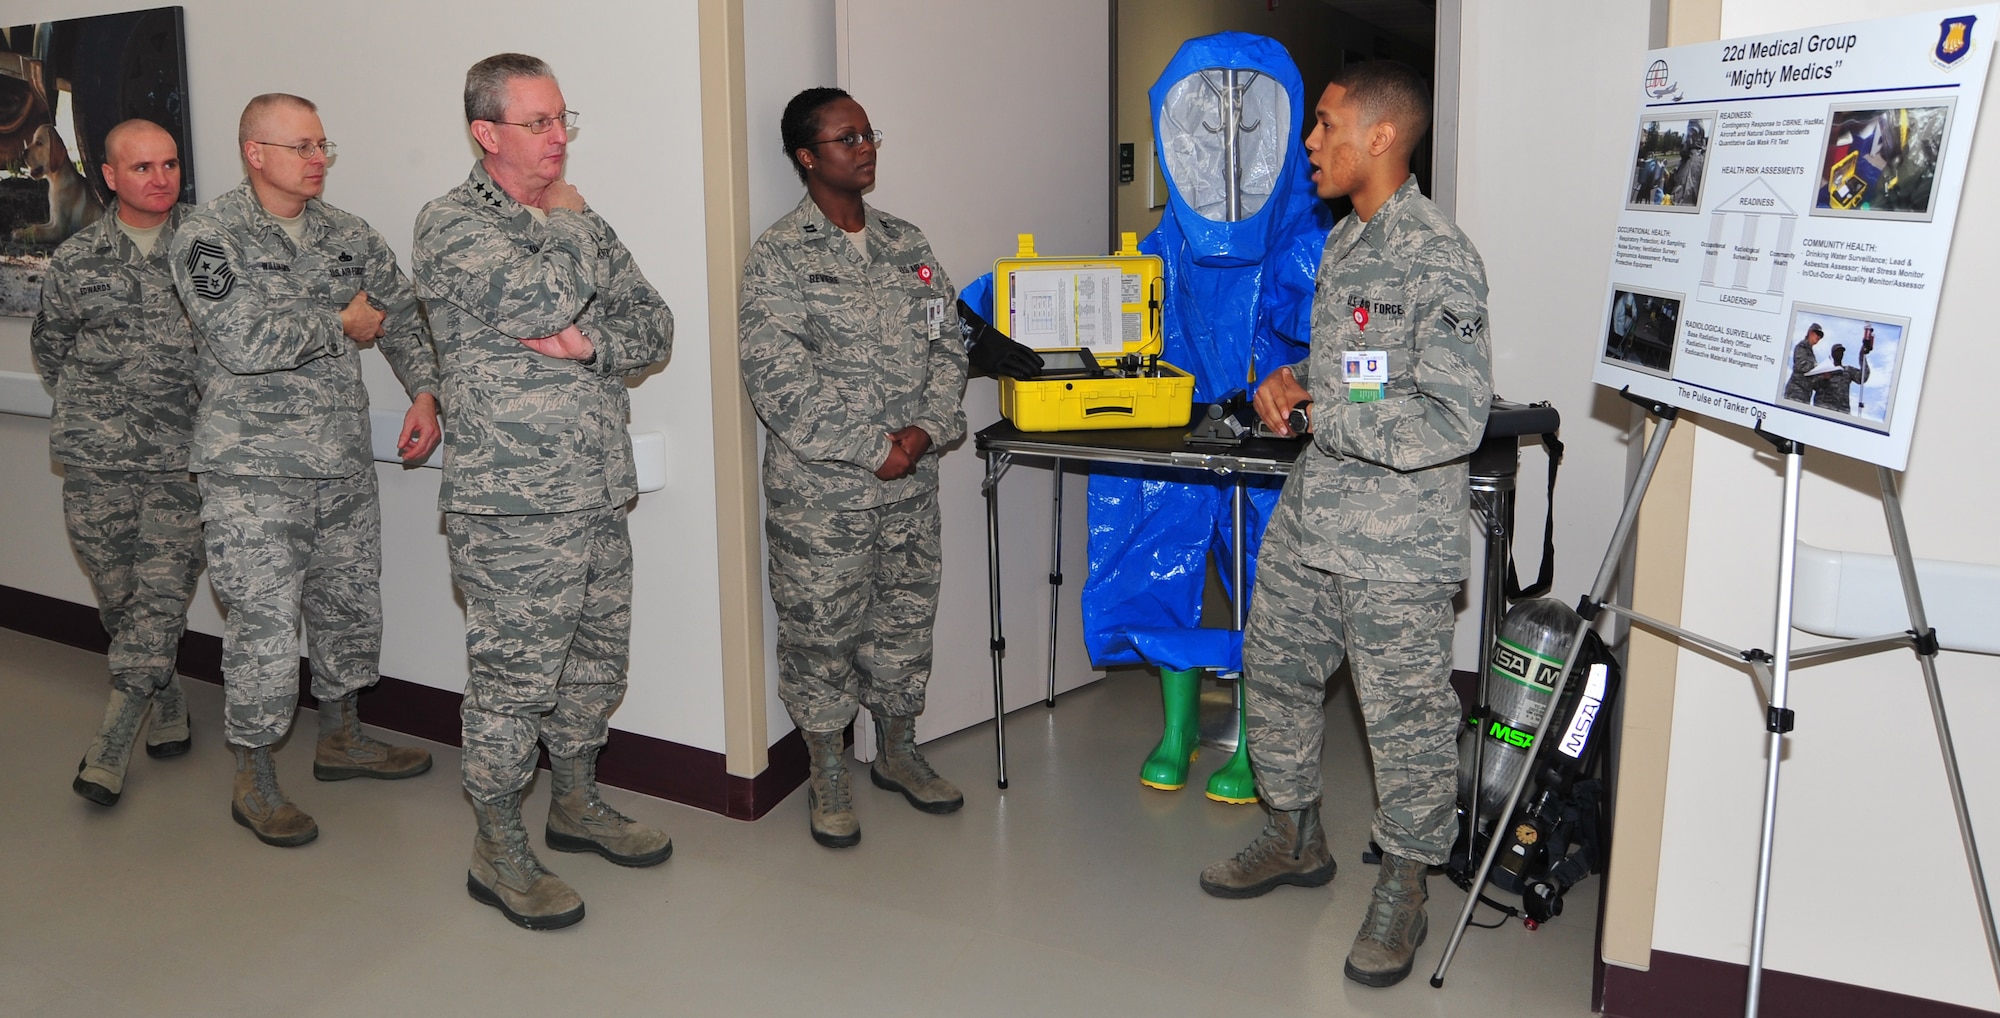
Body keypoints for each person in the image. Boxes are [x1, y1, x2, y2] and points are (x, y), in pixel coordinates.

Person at [1196, 61, 1493, 990]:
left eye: (1324, 125)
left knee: (1404, 720)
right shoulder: (1345, 242)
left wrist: (1331, 412)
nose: (1310, 143)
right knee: (1273, 667)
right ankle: (1294, 832)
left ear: (1380, 137)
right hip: (1319, 513)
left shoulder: (1439, 253)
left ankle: (1406, 884)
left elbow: (1455, 417)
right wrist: (1291, 385)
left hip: (1397, 542)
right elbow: (1361, 373)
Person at [413, 53, 675, 931]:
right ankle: (496, 842)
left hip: (597, 490)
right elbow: (538, 295)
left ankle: (575, 803)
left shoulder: (578, 219)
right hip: (513, 505)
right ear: (487, 134)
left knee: (596, 666)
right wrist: (569, 228)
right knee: (514, 684)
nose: (559, 137)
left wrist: (588, 346)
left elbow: (654, 323)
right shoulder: (451, 224)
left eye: (564, 119)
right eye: (538, 123)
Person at [171, 94, 442, 849]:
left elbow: (403, 315)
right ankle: (254, 776)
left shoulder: (347, 234)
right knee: (262, 623)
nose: (317, 158)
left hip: (340, 462)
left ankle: (342, 737)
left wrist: (424, 387)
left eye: (323, 144)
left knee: (348, 601)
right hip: (252, 473)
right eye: (300, 146)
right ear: (255, 153)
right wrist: (338, 325)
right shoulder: (209, 235)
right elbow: (241, 339)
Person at [738, 87, 968, 850]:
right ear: (807, 156)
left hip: (912, 484)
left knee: (905, 617)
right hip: (823, 497)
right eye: (845, 138)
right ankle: (828, 769)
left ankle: (898, 750)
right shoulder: (779, 256)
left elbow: (950, 344)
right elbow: (779, 383)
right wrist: (878, 448)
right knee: (820, 633)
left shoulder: (909, 244)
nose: (864, 147)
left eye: (869, 133)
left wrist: (925, 431)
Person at [33, 119, 203, 807]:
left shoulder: (210, 248)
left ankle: (113, 735)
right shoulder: (76, 260)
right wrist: (102, 409)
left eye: (168, 164)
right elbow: (51, 352)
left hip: (183, 459)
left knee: (161, 590)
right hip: (98, 456)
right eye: (141, 168)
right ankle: (166, 690)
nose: (159, 178)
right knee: (118, 594)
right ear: (109, 176)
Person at [1783, 322, 1824, 404]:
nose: (1819, 337)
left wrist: (1822, 376)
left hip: (1805, 395)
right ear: (1810, 332)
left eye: (1820, 336)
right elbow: (1800, 365)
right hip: (1795, 392)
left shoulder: (1812, 354)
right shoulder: (1802, 346)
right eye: (1817, 334)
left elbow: (1811, 377)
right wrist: (1817, 367)